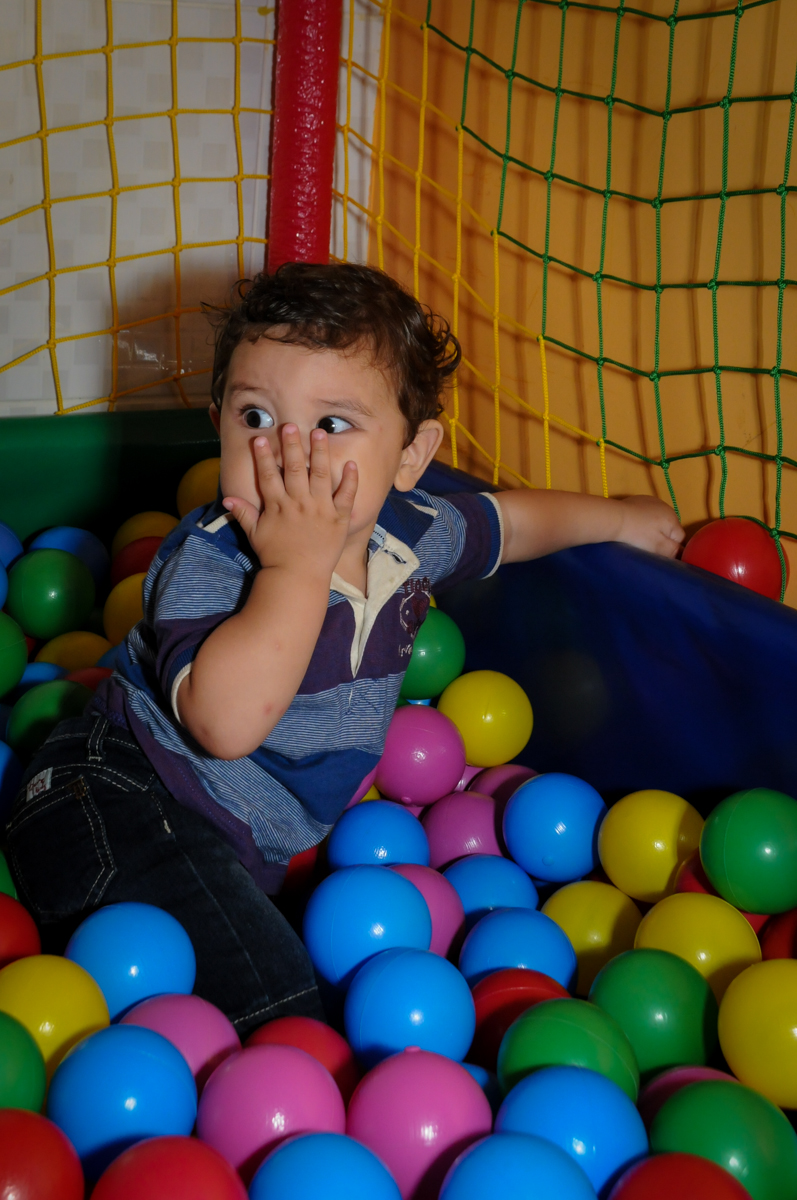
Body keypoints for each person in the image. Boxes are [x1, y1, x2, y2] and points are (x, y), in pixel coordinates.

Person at [4, 263, 684, 1036]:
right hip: (111, 800)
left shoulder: (412, 532)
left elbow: (515, 524)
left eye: (331, 424)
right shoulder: (214, 559)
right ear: (217, 421)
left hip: (226, 845)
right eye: (255, 417)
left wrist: (619, 520)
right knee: (280, 1018)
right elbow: (224, 726)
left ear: (410, 455)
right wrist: (295, 569)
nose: (288, 456)